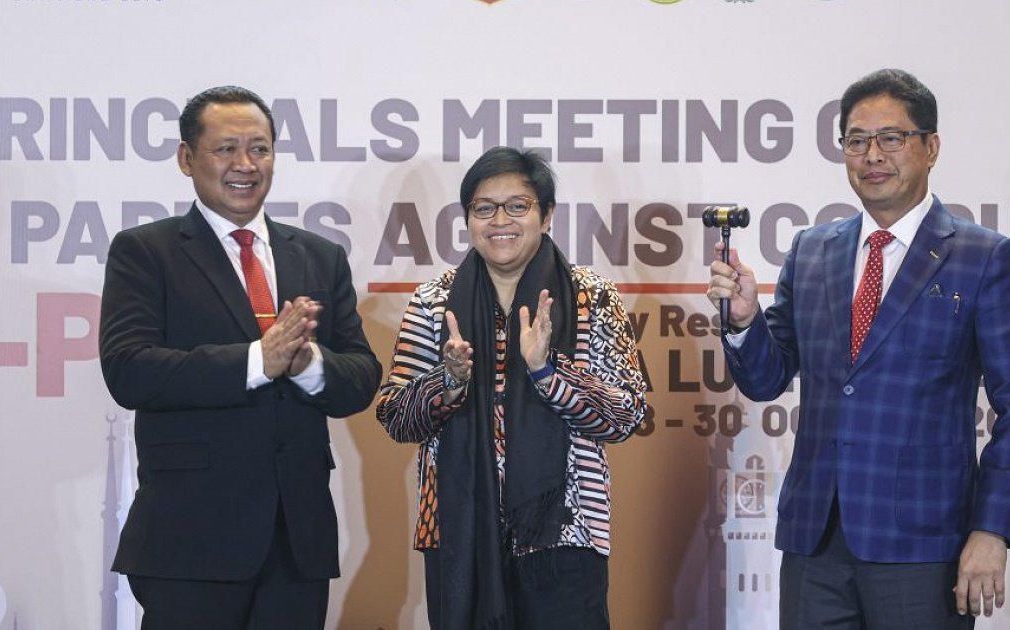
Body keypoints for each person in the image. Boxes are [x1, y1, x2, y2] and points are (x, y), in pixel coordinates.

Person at [707, 69, 1010, 628]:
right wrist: (745, 320)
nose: (872, 155)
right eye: (856, 140)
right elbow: (766, 379)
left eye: (891, 138)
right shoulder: (811, 250)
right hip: (815, 541)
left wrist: (991, 530)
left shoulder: (982, 257)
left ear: (931, 147)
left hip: (924, 545)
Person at [99, 85, 381, 629]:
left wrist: (308, 365)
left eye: (259, 149)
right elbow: (129, 370)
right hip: (190, 541)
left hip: (295, 542)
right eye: (226, 149)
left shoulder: (320, 256)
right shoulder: (146, 251)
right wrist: (257, 360)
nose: (245, 165)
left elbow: (361, 377)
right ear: (187, 158)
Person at [376, 146, 648, 630]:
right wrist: (449, 382)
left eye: (517, 206)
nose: (500, 220)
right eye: (484, 208)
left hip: (565, 531)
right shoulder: (434, 300)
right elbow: (397, 417)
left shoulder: (592, 296)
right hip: (459, 532)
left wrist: (547, 372)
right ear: (468, 219)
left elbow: (625, 415)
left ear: (546, 215)